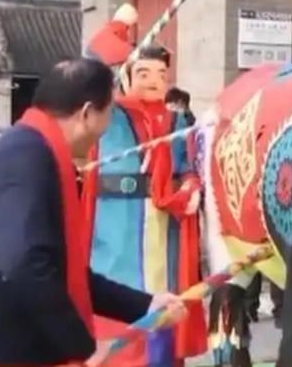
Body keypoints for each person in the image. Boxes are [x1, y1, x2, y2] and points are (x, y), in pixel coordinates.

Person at [0, 59, 186, 364]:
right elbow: (25, 265)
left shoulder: (34, 148)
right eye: (109, 114)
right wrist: (80, 345)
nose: (105, 131)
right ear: (88, 113)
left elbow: (60, 270)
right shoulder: (25, 155)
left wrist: (146, 305)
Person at [83, 44, 207, 366]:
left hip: (163, 229)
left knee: (162, 301)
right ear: (125, 76)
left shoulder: (177, 121)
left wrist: (190, 187)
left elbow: (186, 167)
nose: (154, 81)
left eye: (162, 74)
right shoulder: (109, 112)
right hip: (112, 227)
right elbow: (93, 59)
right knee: (115, 300)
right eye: (143, 73)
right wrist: (120, 31)